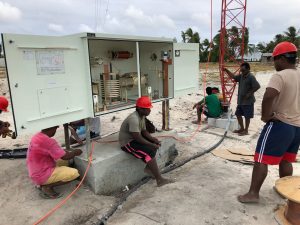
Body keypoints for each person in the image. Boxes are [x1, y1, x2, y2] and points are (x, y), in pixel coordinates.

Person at [238, 42, 300, 203]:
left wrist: (266, 116)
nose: (274, 63)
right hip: (297, 127)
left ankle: (253, 194)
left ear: (281, 58)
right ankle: (285, 191)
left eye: (274, 60)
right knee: (286, 160)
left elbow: (268, 95)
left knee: (261, 158)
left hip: (280, 124)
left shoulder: (280, 75)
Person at [119, 96, 173, 187]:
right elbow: (137, 137)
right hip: (127, 143)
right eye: (147, 109)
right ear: (140, 109)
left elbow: (144, 131)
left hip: (135, 138)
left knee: (153, 146)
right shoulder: (134, 119)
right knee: (149, 151)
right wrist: (150, 144)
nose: (149, 110)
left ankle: (149, 169)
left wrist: (153, 140)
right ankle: (159, 180)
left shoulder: (142, 116)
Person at [27, 126, 82, 199]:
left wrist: (65, 152)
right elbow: (65, 156)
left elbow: (57, 152)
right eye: (56, 129)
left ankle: (43, 183)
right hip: (41, 175)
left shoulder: (38, 136)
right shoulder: (48, 141)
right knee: (74, 173)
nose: (55, 131)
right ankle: (46, 186)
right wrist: (75, 152)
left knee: (63, 161)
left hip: (35, 172)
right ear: (52, 128)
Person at [224, 62, 260, 136]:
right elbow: (233, 77)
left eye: (243, 70)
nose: (242, 72)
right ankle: (242, 128)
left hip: (248, 101)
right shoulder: (241, 76)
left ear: (248, 69)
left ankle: (246, 130)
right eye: (241, 70)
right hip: (241, 100)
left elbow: (257, 86)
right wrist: (226, 70)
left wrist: (249, 94)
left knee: (247, 116)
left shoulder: (251, 77)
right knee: (238, 114)